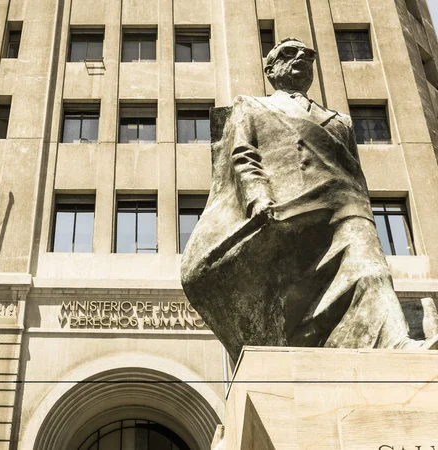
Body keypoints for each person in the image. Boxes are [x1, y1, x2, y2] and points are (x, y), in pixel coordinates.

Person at [180, 38, 438, 362]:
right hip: (285, 210)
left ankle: (395, 343)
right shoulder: (251, 106)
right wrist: (258, 199)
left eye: (308, 53)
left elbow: (355, 176)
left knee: (370, 269)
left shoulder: (340, 121)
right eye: (289, 52)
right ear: (271, 69)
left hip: (341, 207)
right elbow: (243, 156)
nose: (301, 56)